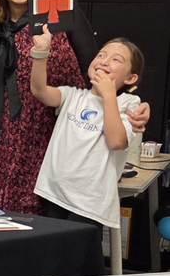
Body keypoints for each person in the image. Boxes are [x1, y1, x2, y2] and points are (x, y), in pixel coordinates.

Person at [0, 0, 148, 215]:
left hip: (65, 144)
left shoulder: (64, 15)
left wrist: (134, 106)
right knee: (4, 231)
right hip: (8, 149)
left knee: (51, 235)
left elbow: (97, 76)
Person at [30, 34, 143, 230]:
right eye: (101, 55)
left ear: (130, 78)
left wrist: (108, 94)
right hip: (55, 194)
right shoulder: (73, 96)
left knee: (77, 258)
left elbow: (116, 141)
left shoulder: (128, 104)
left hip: (89, 204)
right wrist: (40, 53)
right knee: (53, 257)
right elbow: (40, 91)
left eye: (116, 60)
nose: (104, 62)